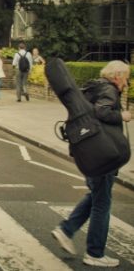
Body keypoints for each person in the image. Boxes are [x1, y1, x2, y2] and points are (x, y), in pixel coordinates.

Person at [51, 61, 130, 268]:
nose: (127, 82)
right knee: (102, 204)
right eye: (126, 77)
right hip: (102, 154)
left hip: (90, 153)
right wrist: (122, 115)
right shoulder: (109, 90)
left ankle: (66, 230)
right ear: (118, 76)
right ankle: (95, 253)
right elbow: (101, 112)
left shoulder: (93, 87)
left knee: (95, 195)